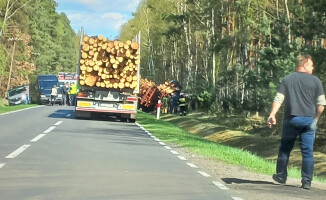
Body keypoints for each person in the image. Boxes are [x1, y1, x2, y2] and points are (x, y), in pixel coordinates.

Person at [267, 54, 325, 190]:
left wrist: (272, 114)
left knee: (285, 149)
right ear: (304, 65)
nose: (313, 67)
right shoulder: (316, 81)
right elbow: (321, 104)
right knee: (308, 152)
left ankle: (281, 176)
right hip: (309, 120)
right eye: (311, 65)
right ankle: (306, 182)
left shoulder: (288, 79)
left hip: (292, 119)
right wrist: (315, 118)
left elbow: (278, 98)